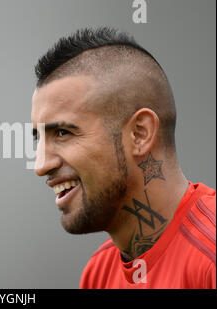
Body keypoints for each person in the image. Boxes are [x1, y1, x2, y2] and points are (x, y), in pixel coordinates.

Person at [31, 27, 215, 288]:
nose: (41, 166)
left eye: (63, 132)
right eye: (38, 138)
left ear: (140, 134)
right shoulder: (97, 274)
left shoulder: (210, 258)